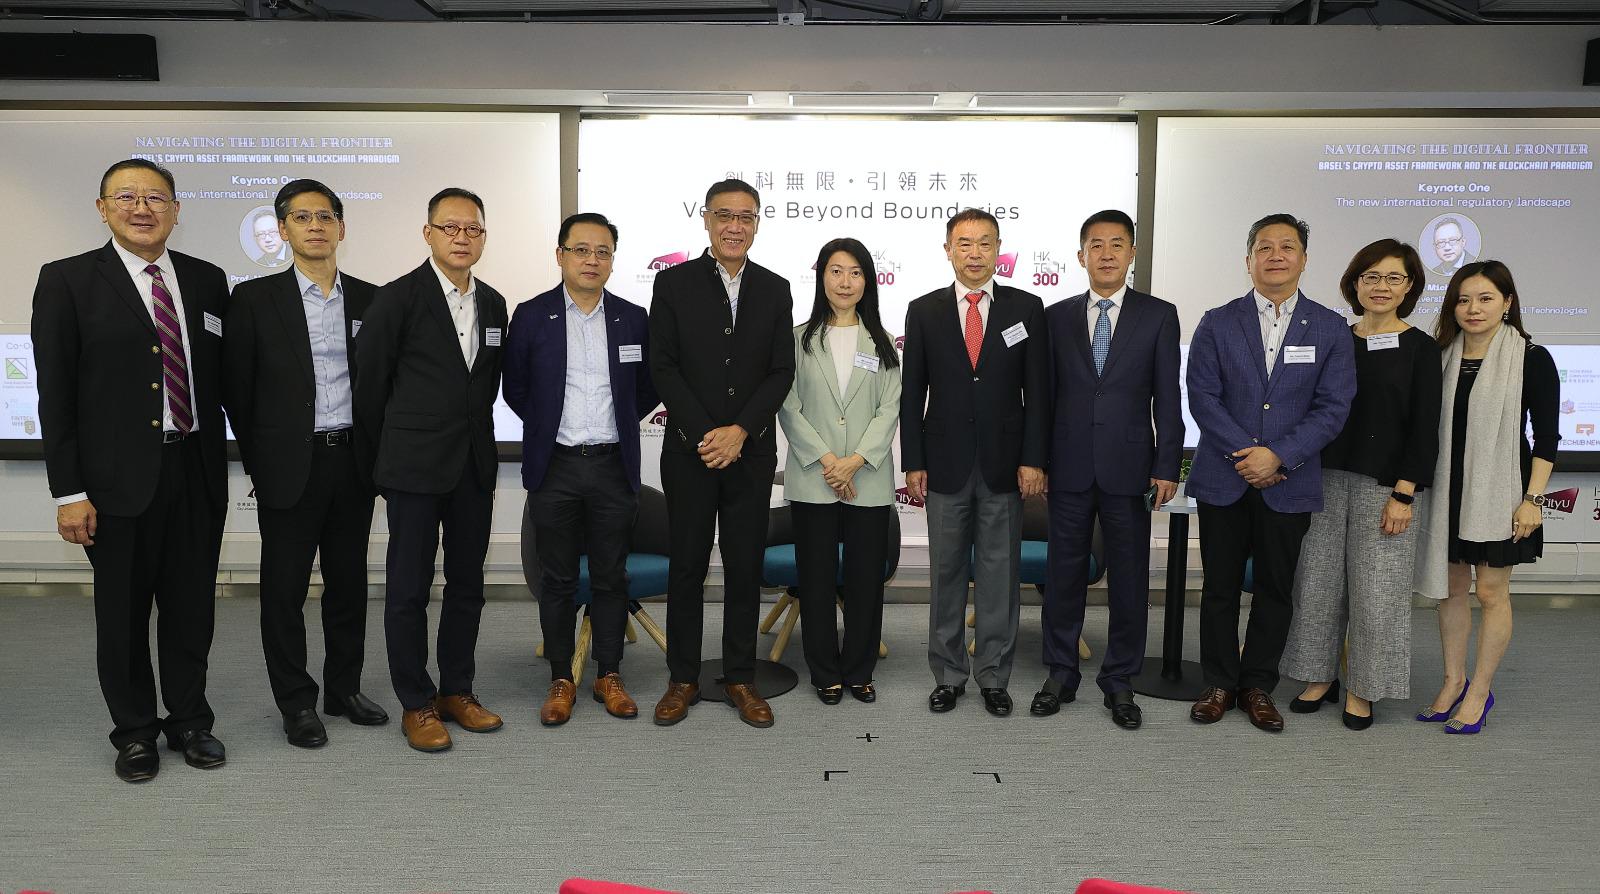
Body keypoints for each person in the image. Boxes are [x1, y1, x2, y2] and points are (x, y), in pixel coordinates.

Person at [32, 159, 230, 782]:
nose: (142, 207)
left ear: (176, 209)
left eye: (156, 197)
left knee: (191, 607)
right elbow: (56, 396)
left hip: (195, 470)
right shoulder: (66, 281)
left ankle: (190, 720)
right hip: (115, 482)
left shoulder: (206, 279)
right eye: (127, 196)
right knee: (121, 616)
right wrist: (69, 491)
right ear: (101, 207)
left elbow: (222, 378)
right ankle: (136, 732)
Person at [223, 179, 388, 749]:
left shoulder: (373, 299)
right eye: (301, 217)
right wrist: (265, 454)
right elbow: (236, 391)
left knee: (348, 586)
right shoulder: (253, 299)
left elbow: (385, 385)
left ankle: (343, 689)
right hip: (289, 468)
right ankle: (296, 702)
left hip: (353, 464)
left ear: (342, 226)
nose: (315, 225)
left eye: (325, 215)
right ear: (283, 230)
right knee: (284, 591)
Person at [1184, 213, 1355, 732]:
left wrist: (1279, 455)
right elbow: (1203, 397)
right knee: (1218, 587)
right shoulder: (1218, 320)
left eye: (1287, 247)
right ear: (1249, 259)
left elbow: (1333, 406)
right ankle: (1218, 682)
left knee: (1277, 590)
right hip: (1224, 477)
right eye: (1264, 247)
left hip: (1291, 479)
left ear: (1303, 259)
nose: (1275, 255)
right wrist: (1249, 453)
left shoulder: (1330, 327)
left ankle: (1257, 685)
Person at [354, 187, 509, 752]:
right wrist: (384, 464)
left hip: (473, 467)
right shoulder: (396, 299)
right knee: (409, 591)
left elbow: (485, 386)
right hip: (414, 470)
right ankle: (416, 702)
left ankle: (457, 691)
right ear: (428, 235)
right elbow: (369, 391)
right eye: (450, 228)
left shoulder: (494, 303)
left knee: (468, 586)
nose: (462, 238)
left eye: (473, 229)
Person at [648, 179, 796, 728]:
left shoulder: (776, 288)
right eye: (725, 216)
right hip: (690, 451)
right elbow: (662, 366)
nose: (736, 226)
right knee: (685, 567)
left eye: (747, 217)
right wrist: (707, 432)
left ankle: (740, 677)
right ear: (706, 221)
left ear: (757, 224)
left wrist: (740, 432)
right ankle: (682, 677)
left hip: (750, 453)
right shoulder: (674, 284)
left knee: (742, 568)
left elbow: (781, 369)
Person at [1279, 239, 1441, 731]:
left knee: (1377, 595)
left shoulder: (1421, 348)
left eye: (1394, 278)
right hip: (1322, 478)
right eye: (1371, 276)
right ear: (1355, 282)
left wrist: (1404, 493)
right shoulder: (1334, 337)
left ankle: (1364, 689)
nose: (1381, 287)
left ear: (1409, 287)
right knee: (1318, 587)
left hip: (1385, 487)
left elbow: (1424, 427)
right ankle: (1317, 676)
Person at [504, 212, 658, 726]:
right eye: (581, 250)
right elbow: (517, 389)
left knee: (613, 577)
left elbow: (647, 390)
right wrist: (552, 426)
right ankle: (561, 678)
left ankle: (609, 675)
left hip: (614, 466)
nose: (592, 260)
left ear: (613, 259)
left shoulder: (634, 317)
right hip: (557, 467)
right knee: (558, 580)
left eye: (603, 252)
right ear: (560, 255)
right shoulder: (531, 315)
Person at [1036, 210, 1182, 730]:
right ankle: (1060, 672)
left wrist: (1167, 463)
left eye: (1116, 245)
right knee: (1063, 575)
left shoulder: (1159, 315)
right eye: (1095, 245)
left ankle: (1120, 681)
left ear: (1132, 254)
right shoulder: (1054, 317)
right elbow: (1042, 400)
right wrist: (1037, 460)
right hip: (1068, 466)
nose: (1105, 254)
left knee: (1128, 579)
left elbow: (1168, 396)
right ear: (1080, 256)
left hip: (1131, 468)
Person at [901, 208, 1049, 717]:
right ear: (948, 250)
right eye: (964, 244)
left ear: (999, 248)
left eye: (985, 243)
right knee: (944, 574)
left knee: (998, 576)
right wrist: (913, 460)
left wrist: (1034, 458)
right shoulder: (923, 311)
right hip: (942, 464)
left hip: (1005, 467)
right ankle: (947, 675)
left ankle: (992, 675)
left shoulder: (1027, 309)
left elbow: (1039, 393)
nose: (974, 253)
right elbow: (911, 394)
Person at [1415, 261, 1558, 734]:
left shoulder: (1531, 358)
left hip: (1502, 493)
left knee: (1492, 593)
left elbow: (1547, 438)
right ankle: (1453, 680)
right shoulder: (1438, 356)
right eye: (1462, 299)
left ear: (1508, 302)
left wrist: (1532, 500)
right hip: (1446, 492)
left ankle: (1480, 689)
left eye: (1485, 298)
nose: (1473, 309)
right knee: (1451, 590)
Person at [777, 237, 902, 705]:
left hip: (866, 477)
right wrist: (829, 461)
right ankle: (824, 671)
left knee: (866, 580)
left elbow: (890, 408)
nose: (845, 281)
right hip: (815, 477)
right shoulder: (797, 338)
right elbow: (788, 406)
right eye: (835, 271)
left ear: (867, 281)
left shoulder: (884, 342)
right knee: (816, 578)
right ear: (821, 277)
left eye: (854, 272)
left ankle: (860, 669)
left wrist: (856, 460)